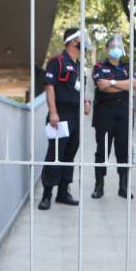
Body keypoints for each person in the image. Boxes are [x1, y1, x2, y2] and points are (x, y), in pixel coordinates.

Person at [39, 28, 92, 211]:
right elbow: (50, 87)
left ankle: (63, 192)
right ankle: (47, 195)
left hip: (75, 116)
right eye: (80, 39)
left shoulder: (79, 65)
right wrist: (53, 112)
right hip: (60, 115)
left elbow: (80, 89)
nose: (83, 43)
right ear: (72, 41)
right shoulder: (57, 62)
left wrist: (85, 101)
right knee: (55, 155)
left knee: (69, 155)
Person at [91, 34, 136, 199]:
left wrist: (111, 83)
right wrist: (123, 86)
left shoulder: (128, 67)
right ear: (106, 49)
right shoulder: (98, 67)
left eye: (118, 46)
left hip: (124, 111)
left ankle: (123, 186)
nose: (116, 49)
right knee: (102, 150)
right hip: (105, 112)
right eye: (112, 47)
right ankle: (99, 185)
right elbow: (101, 87)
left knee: (123, 149)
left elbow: (133, 84)